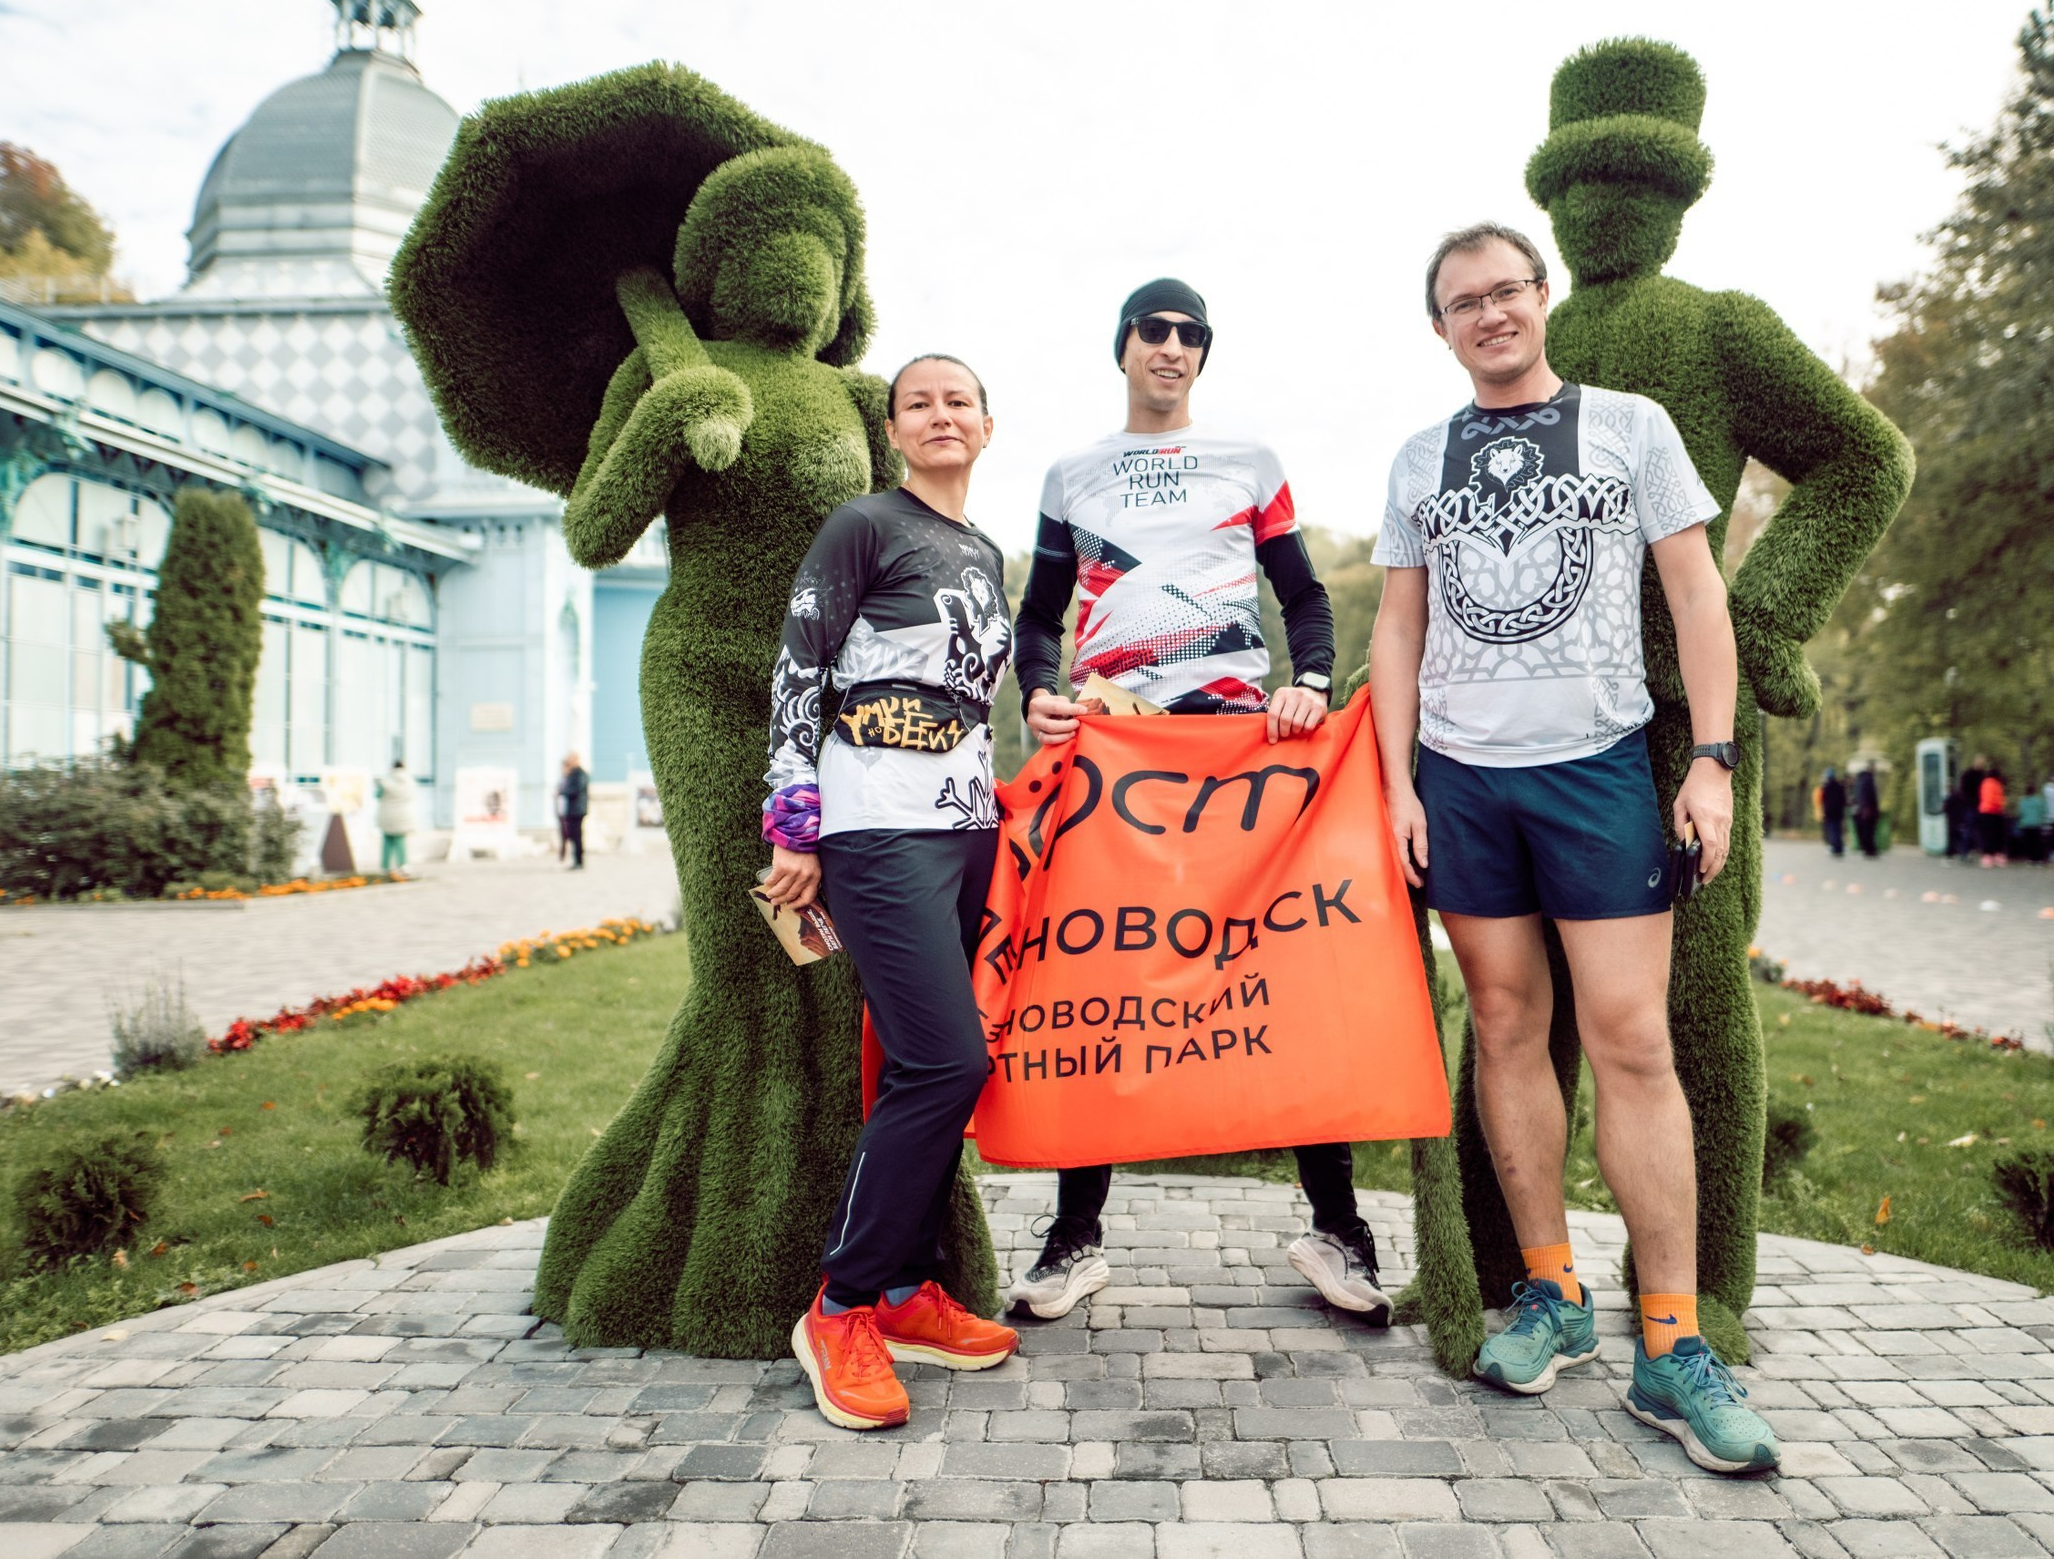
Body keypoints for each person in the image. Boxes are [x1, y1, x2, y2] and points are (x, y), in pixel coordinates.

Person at [1368, 222, 1777, 1474]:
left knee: (1633, 1039)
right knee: (1501, 1025)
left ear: (1541, 299)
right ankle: (1551, 1294)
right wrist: (1397, 786)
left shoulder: (1631, 426)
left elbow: (1696, 592)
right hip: (1464, 780)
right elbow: (1397, 625)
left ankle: (1676, 1345)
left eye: (1505, 291)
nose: (1488, 314)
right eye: (1461, 302)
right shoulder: (1418, 455)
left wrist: (1709, 759)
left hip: (1599, 765)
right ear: (1437, 328)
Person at [1005, 278, 1381, 1324]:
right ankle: (1074, 1239)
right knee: (1103, 975)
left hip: (1234, 750)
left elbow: (1303, 597)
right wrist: (1039, 691)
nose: (1172, 347)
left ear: (1202, 357)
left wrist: (1309, 677)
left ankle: (1338, 1227)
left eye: (1191, 336)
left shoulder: (1249, 463)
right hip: (1117, 755)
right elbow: (1036, 620)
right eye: (1154, 330)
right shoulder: (1071, 474)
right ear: (1122, 345)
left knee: (1288, 970)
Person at [760, 354, 1021, 1430]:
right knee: (945, 1060)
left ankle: (911, 1289)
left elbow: (975, 696)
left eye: (959, 400)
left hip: (965, 829)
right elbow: (800, 665)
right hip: (874, 822)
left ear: (987, 426)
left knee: (911, 1065)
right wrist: (792, 818)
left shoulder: (982, 550)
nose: (941, 414)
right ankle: (842, 1306)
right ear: (894, 430)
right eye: (920, 403)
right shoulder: (862, 524)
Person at [375, 758, 416, 873]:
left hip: (387, 814)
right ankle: (403, 864)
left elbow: (377, 795)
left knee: (387, 840)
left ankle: (385, 866)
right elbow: (411, 797)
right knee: (400, 840)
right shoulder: (410, 782)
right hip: (403, 814)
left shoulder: (385, 781)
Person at [555, 752, 589, 869]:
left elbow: (576, 789)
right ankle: (576, 860)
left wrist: (562, 792)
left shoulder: (580, 774)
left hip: (578, 810)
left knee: (577, 836)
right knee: (573, 836)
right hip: (572, 810)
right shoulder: (573, 774)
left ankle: (579, 861)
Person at [1977, 764, 2009, 868]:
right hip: (1994, 812)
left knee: (1987, 835)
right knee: (1997, 836)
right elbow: (1997, 799)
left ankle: (1987, 856)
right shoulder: (1995, 783)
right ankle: (1996, 856)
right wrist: (2002, 805)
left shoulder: (1985, 783)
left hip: (1985, 812)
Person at [1851, 763, 1880, 860]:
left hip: (1863, 809)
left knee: (1866, 830)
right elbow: (1869, 796)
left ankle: (1867, 848)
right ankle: (1869, 849)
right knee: (1869, 830)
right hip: (1868, 809)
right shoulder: (1868, 780)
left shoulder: (1860, 781)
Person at [1818, 766, 1847, 857]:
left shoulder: (1826, 787)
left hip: (1830, 813)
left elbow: (1822, 800)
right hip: (1838, 812)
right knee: (1838, 830)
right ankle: (1839, 847)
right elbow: (1843, 799)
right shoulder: (1839, 786)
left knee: (1832, 830)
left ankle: (1835, 847)